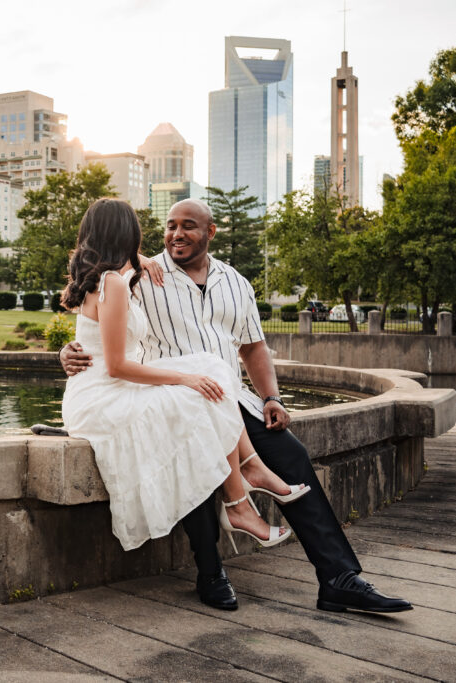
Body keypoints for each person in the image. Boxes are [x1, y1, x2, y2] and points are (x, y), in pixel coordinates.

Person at [61, 198, 413, 615]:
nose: (176, 234)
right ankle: (211, 573)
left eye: (188, 226)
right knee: (190, 462)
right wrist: (67, 353)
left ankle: (339, 578)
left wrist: (272, 397)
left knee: (293, 456)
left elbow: (254, 347)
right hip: (172, 397)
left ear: (211, 232)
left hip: (232, 398)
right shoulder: (144, 275)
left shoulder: (237, 283)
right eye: (170, 226)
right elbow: (99, 317)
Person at [60, 198, 309, 560]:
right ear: (127, 233)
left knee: (213, 369)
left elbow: (97, 334)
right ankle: (239, 503)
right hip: (105, 396)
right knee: (201, 389)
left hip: (104, 388)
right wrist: (184, 378)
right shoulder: (114, 283)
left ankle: (250, 472)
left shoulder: (111, 277)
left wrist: (139, 260)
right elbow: (114, 365)